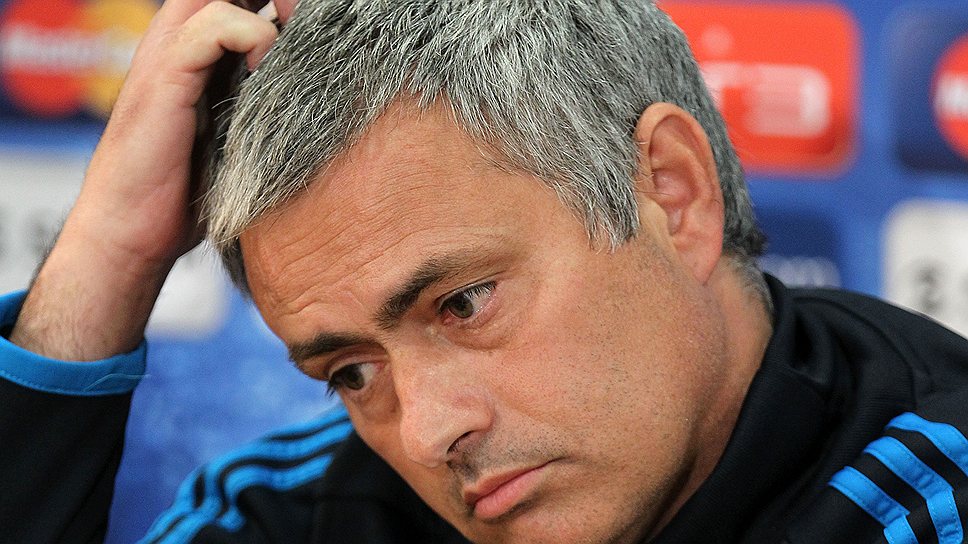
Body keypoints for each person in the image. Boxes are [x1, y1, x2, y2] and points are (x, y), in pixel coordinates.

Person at [1, 0, 967, 542]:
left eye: (462, 303)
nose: (428, 434)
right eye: (352, 372)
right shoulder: (300, 512)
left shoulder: (935, 504)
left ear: (672, 195)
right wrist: (107, 257)